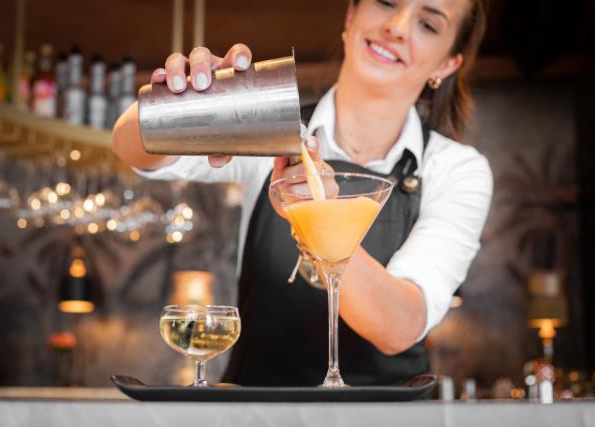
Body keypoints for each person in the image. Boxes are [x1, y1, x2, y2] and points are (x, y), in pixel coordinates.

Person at [112, 0, 492, 386]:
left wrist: (319, 214)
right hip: (256, 414)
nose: (397, 26)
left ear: (446, 64)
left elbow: (398, 327)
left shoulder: (456, 169)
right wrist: (182, 101)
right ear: (350, 15)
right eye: (386, 2)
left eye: (428, 25)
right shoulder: (271, 127)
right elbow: (131, 148)